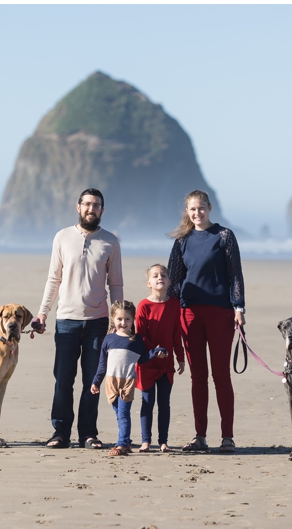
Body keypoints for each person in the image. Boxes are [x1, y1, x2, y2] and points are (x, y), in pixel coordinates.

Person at [33, 188, 123, 449]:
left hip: (98, 321)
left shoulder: (111, 242)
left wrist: (117, 320)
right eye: (87, 204)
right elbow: (54, 278)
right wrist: (42, 312)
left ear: (102, 211)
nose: (91, 209)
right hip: (67, 320)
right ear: (78, 207)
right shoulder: (62, 237)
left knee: (92, 381)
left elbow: (115, 283)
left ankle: (88, 434)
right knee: (63, 379)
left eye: (96, 205)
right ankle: (60, 432)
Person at [165, 190, 245, 452]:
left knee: (221, 375)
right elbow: (174, 281)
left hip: (221, 312)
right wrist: (168, 311)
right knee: (198, 377)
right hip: (189, 313)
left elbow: (235, 275)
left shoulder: (224, 236)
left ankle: (227, 437)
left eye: (201, 208)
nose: (197, 213)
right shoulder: (181, 241)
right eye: (192, 209)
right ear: (187, 212)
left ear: (210, 208)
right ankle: (200, 436)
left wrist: (239, 307)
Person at [89, 300, 167, 456]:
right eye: (119, 319)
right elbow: (102, 365)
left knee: (124, 414)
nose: (123, 323)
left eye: (127, 319)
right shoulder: (109, 340)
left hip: (128, 382)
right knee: (119, 414)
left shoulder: (136, 340)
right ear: (113, 320)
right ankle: (127, 442)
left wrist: (157, 352)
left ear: (133, 320)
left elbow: (143, 358)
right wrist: (96, 381)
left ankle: (122, 444)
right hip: (111, 382)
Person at [135, 263, 185, 452]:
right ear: (148, 282)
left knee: (164, 403)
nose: (160, 278)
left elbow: (176, 333)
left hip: (166, 363)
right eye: (155, 276)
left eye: (163, 275)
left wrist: (180, 357)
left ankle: (163, 441)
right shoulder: (143, 306)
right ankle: (145, 441)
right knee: (147, 402)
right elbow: (140, 335)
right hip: (147, 362)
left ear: (170, 281)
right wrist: (153, 351)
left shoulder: (174, 304)